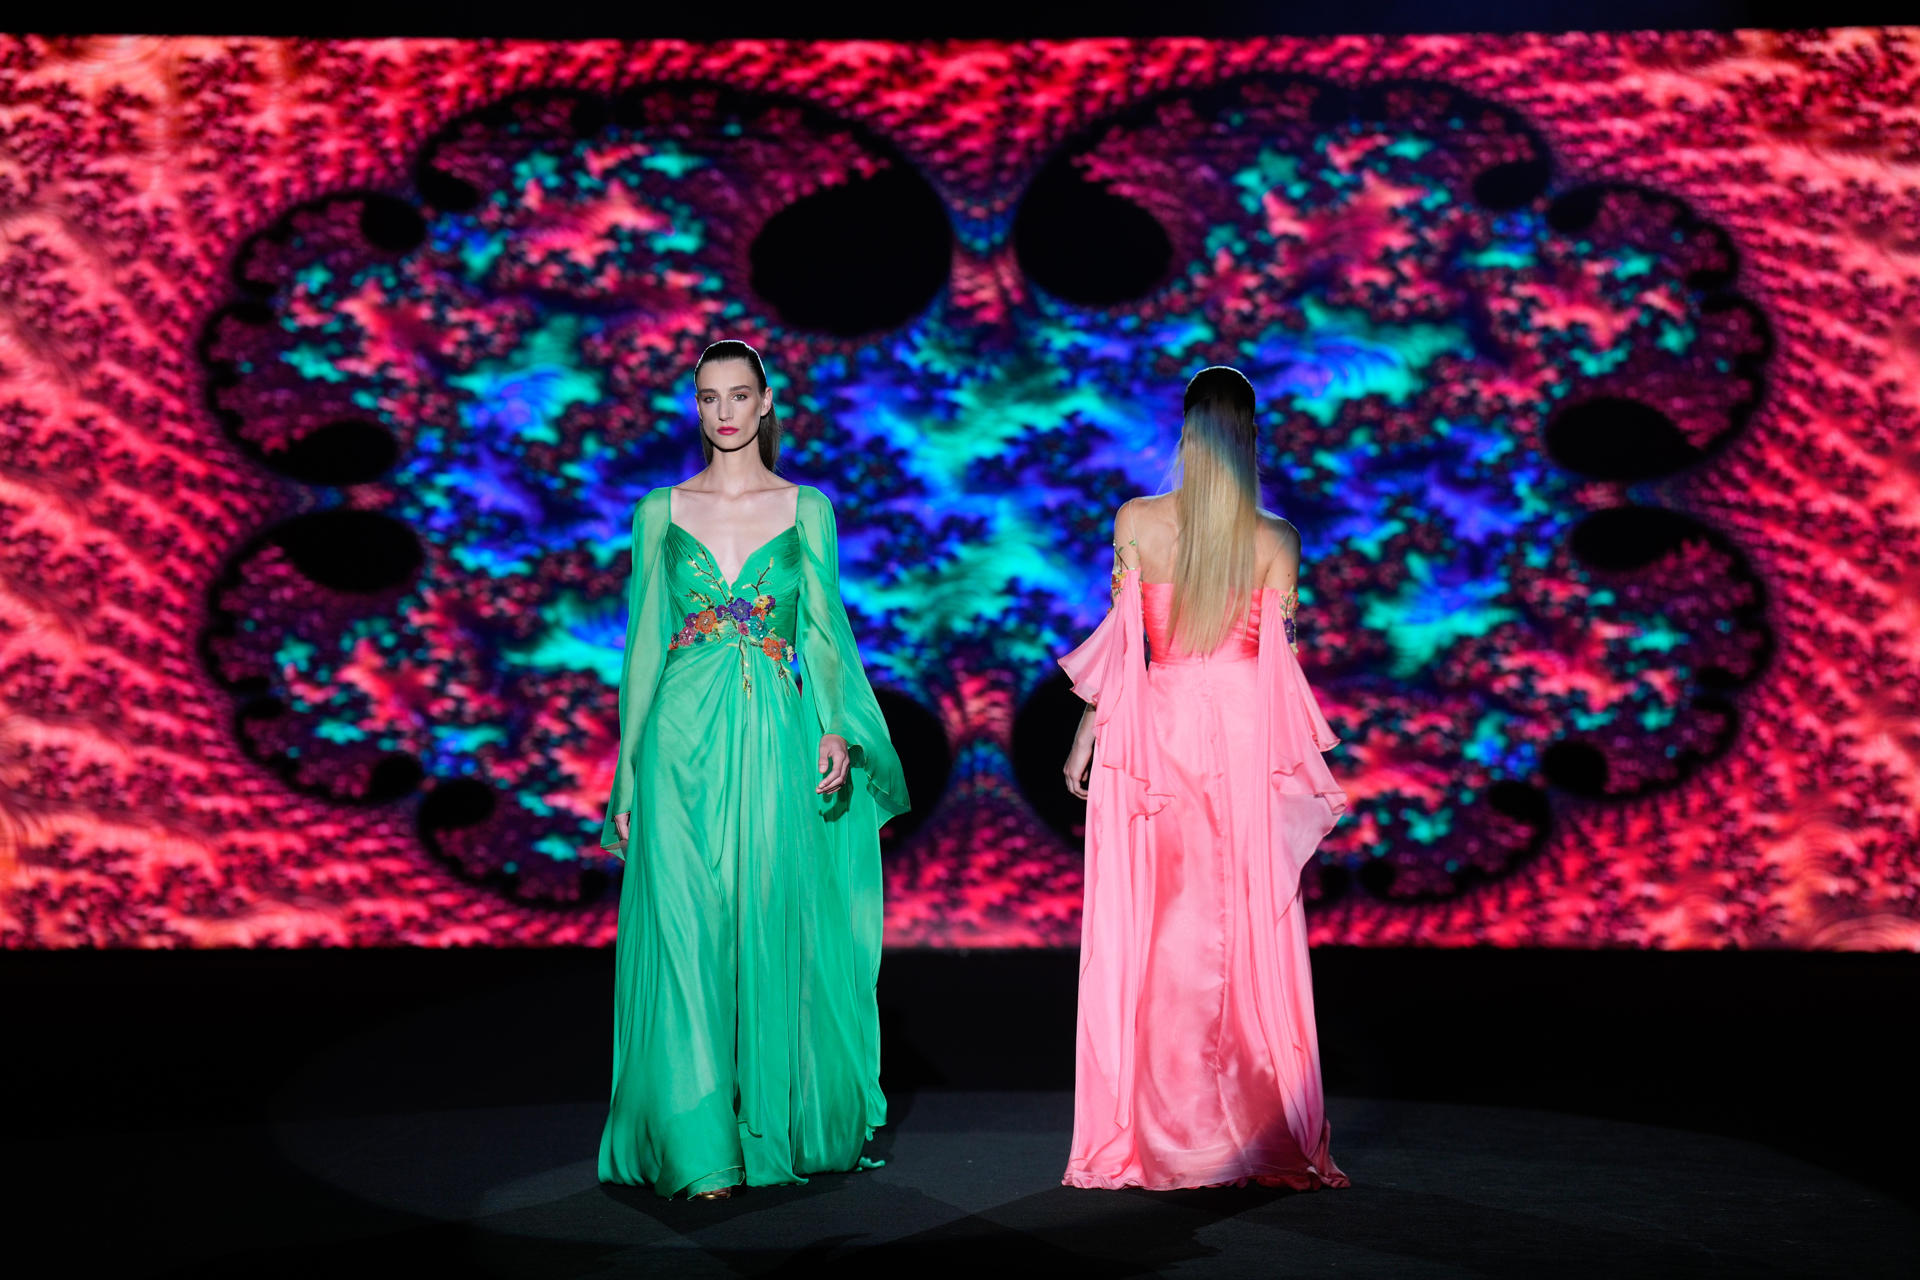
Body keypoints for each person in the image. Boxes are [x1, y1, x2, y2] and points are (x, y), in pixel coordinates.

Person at [598, 339, 907, 1201]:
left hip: (772, 732)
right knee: (686, 935)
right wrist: (627, 775)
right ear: (695, 406)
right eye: (709, 397)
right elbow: (643, 645)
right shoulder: (660, 510)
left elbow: (822, 632)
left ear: (768, 403)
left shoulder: (807, 508)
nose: (725, 411)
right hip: (677, 740)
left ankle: (766, 1123)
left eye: (740, 395)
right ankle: (701, 1152)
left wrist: (838, 726)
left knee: (762, 923)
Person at [1058, 365, 1350, 1192]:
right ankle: (1235, 1125)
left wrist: (1089, 736)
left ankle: (1167, 1131)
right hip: (1241, 741)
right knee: (1237, 926)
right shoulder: (1276, 540)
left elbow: (1123, 650)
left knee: (1163, 927)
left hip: (1159, 737)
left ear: (1186, 436)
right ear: (1251, 439)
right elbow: (1279, 670)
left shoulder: (1138, 523)